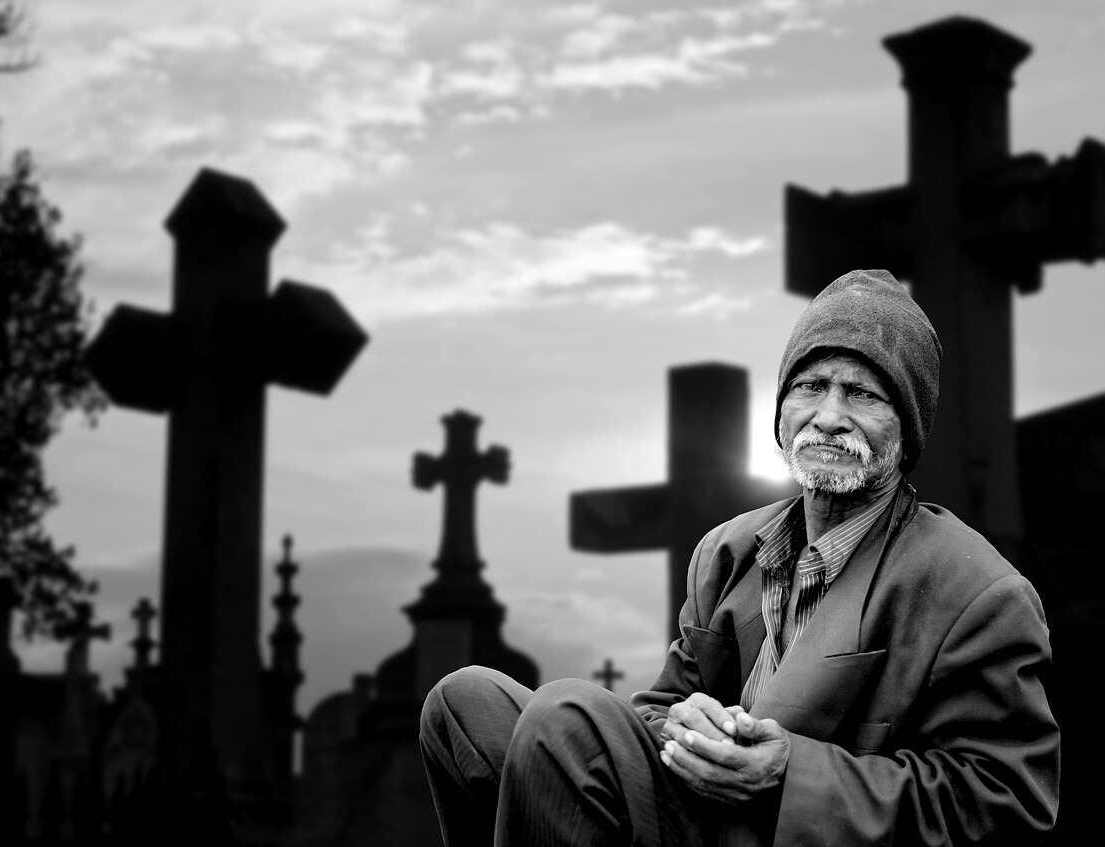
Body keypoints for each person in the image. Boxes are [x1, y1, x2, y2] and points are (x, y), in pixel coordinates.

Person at [419, 269, 1059, 846]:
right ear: (780, 410)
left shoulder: (975, 591)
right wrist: (680, 725)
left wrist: (787, 774)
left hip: (792, 835)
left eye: (864, 395)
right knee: (463, 704)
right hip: (695, 817)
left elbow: (1005, 802)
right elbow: (662, 705)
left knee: (567, 719)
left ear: (908, 425)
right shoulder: (728, 553)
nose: (829, 416)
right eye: (811, 385)